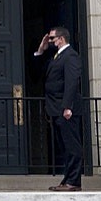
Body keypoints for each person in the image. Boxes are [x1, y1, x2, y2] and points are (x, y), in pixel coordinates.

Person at [35, 27, 83, 191]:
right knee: (63, 145)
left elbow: (71, 82)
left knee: (71, 145)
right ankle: (68, 178)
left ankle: (74, 181)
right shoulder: (56, 56)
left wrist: (67, 106)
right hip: (55, 108)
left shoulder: (70, 56)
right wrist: (41, 50)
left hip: (65, 109)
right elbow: (38, 73)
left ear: (61, 39)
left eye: (52, 38)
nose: (50, 41)